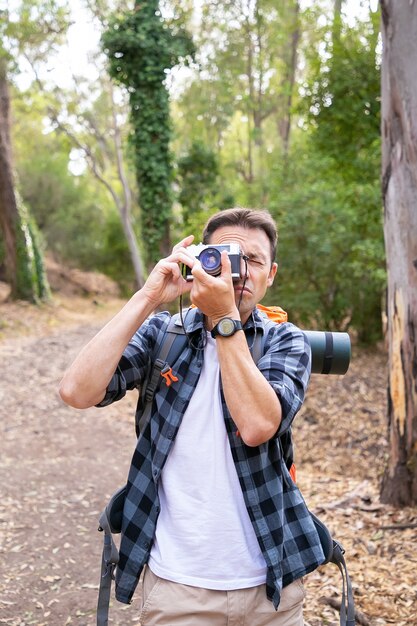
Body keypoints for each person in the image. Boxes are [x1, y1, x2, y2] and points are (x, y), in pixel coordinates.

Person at [59, 207, 325, 626]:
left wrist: (223, 319)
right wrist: (147, 298)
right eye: (225, 256)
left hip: (271, 586)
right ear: (201, 259)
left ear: (270, 275)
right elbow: (76, 391)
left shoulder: (286, 341)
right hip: (176, 586)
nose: (237, 272)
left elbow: (257, 426)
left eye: (252, 260)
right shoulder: (164, 334)